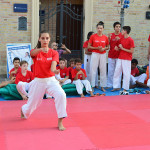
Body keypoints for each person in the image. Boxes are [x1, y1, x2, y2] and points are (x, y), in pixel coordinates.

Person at [21, 31, 67, 131]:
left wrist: (55, 70)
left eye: (47, 38)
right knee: (31, 106)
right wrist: (41, 49)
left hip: (51, 81)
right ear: (39, 39)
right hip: (38, 81)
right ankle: (23, 109)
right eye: (43, 38)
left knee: (61, 95)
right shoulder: (36, 52)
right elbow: (32, 53)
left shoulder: (54, 53)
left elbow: (53, 66)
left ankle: (60, 121)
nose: (45, 40)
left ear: (49, 39)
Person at [112, 26, 135, 95]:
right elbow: (119, 47)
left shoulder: (131, 40)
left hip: (127, 59)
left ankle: (125, 88)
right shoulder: (121, 38)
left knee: (126, 73)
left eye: (122, 30)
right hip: (120, 57)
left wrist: (122, 48)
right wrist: (117, 48)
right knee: (117, 72)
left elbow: (131, 51)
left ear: (125, 31)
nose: (121, 31)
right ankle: (116, 86)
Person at [88, 21, 109, 92]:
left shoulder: (105, 37)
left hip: (103, 54)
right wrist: (97, 48)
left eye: (101, 28)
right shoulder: (93, 36)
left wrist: (103, 49)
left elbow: (108, 46)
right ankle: (92, 86)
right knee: (93, 70)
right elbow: (89, 46)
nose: (99, 29)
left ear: (103, 29)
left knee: (103, 70)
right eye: (98, 28)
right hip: (95, 54)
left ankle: (103, 86)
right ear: (96, 29)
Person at [107, 22, 122, 88]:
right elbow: (107, 44)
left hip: (119, 56)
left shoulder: (122, 35)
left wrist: (120, 40)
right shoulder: (111, 35)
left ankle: (117, 85)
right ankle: (110, 84)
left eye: (119, 27)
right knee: (110, 71)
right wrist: (108, 38)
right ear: (114, 28)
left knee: (118, 71)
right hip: (111, 55)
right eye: (116, 26)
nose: (118, 28)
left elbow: (124, 45)